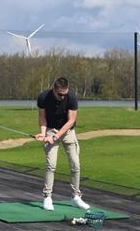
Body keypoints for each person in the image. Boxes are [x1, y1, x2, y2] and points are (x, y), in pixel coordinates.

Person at [34, 77, 90, 211]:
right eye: (60, 94)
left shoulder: (71, 98)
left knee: (75, 164)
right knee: (51, 165)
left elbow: (71, 121)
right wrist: (43, 133)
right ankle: (47, 197)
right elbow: (42, 117)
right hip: (50, 129)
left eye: (64, 94)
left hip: (68, 132)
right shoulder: (43, 97)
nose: (62, 97)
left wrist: (55, 137)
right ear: (54, 89)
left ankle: (75, 197)